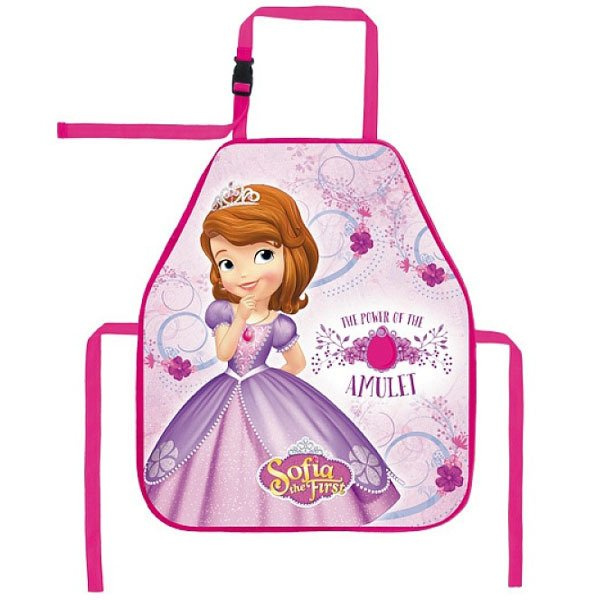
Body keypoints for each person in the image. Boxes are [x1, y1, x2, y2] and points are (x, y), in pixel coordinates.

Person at [145, 182, 400, 526]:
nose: (244, 273)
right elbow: (224, 352)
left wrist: (277, 390)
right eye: (227, 262)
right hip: (224, 389)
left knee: (299, 447)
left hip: (266, 383)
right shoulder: (223, 311)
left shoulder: (280, 324)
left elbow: (297, 363)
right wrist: (240, 317)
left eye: (263, 255)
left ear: (290, 258)